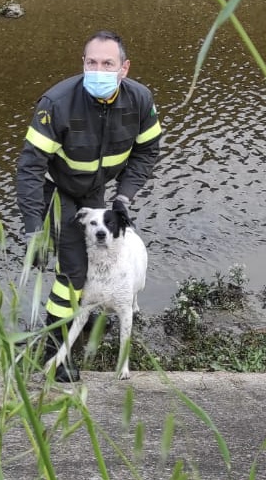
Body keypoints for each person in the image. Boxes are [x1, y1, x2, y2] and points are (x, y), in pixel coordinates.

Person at [16, 30, 163, 382]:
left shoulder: (140, 101)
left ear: (124, 68)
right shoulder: (57, 104)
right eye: (91, 63)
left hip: (95, 189)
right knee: (73, 269)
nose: (98, 70)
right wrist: (35, 230)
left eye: (107, 63)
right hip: (57, 188)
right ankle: (55, 354)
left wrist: (124, 195)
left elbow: (147, 152)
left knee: (102, 256)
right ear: (83, 64)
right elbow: (30, 167)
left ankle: (87, 313)